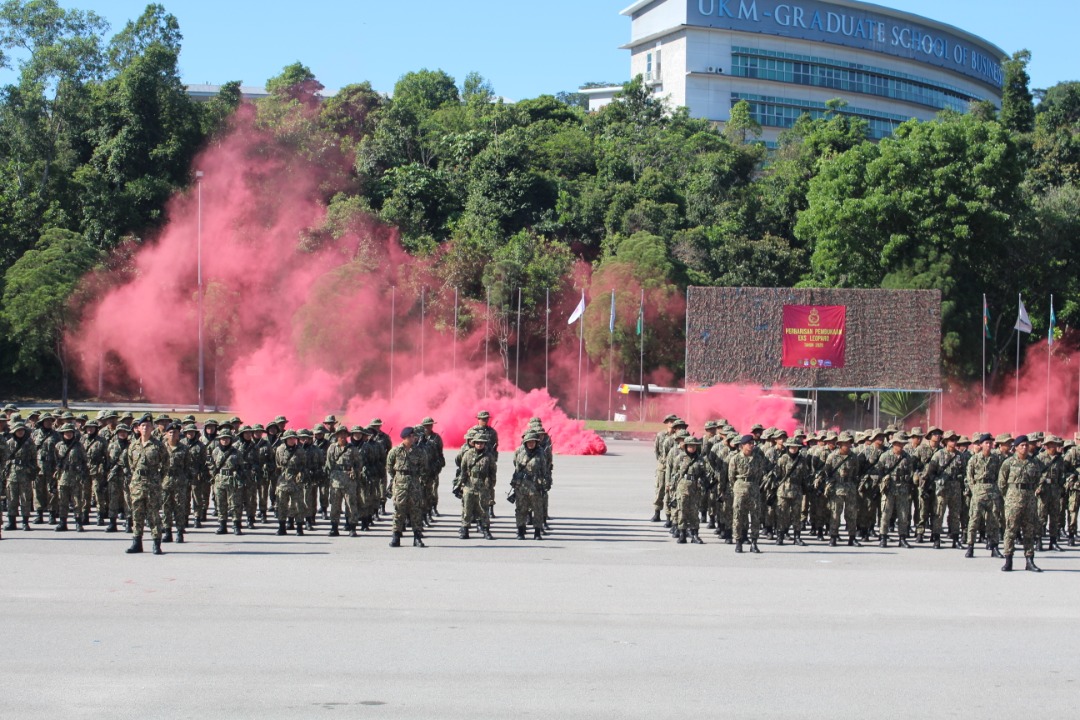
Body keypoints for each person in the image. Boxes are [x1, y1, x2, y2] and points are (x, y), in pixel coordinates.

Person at [998, 435, 1045, 572]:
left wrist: (1032, 491)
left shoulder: (1034, 463)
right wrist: (1009, 497)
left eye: (1026, 445)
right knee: (1010, 530)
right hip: (1013, 500)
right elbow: (1001, 483)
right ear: (1016, 447)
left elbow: (1038, 479)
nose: (1025, 448)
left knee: (1029, 530)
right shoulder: (1008, 463)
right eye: (1022, 445)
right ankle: (1008, 560)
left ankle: (1029, 560)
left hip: (1029, 499)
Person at [126, 418, 167, 555]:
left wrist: (157, 478)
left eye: (148, 426)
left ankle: (156, 543)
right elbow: (131, 465)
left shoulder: (158, 445)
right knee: (137, 513)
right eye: (143, 425)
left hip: (152, 484)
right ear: (138, 428)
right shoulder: (133, 445)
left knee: (153, 514)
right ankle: (137, 542)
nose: (145, 428)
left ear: (152, 428)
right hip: (137, 484)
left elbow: (166, 464)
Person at [923, 430, 966, 549]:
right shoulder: (938, 455)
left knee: (955, 514)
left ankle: (955, 539)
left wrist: (960, 478)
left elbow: (964, 471)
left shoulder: (960, 456)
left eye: (955, 439)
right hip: (942, 489)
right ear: (946, 441)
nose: (954, 442)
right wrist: (937, 481)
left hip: (955, 488)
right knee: (938, 513)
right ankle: (936, 538)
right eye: (952, 440)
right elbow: (930, 472)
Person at [965, 433, 1004, 559]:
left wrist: (997, 490)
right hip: (978, 491)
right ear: (981, 444)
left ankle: (994, 547)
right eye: (986, 443)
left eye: (990, 443)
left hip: (992, 491)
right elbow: (969, 477)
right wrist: (974, 490)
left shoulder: (996, 459)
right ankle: (970, 546)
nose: (989, 445)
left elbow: (1000, 476)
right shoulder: (974, 459)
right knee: (974, 520)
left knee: (994, 520)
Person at [386, 427, 427, 547]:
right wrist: (398, 478)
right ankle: (396, 536)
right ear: (405, 437)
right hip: (400, 485)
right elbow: (389, 467)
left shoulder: (419, 451)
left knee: (416, 510)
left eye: (414, 436)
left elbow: (424, 467)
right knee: (399, 510)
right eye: (411, 436)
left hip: (414, 484)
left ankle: (417, 537)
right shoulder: (395, 451)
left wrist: (418, 479)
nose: (413, 438)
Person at [820, 432, 862, 548]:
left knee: (851, 514)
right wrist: (831, 483)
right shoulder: (832, 456)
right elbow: (826, 472)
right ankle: (833, 536)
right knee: (835, 513)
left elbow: (856, 472)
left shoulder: (854, 457)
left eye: (849, 443)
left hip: (850, 489)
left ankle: (852, 537)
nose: (847, 445)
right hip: (836, 489)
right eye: (845, 443)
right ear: (840, 444)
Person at [874, 433, 915, 548]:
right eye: (899, 444)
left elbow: (910, 472)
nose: (901, 446)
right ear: (894, 444)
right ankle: (883, 537)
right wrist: (883, 482)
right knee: (885, 514)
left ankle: (902, 538)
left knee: (903, 515)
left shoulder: (907, 457)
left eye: (902, 444)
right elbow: (879, 471)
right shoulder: (885, 456)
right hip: (889, 489)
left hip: (902, 489)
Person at [728, 434, 767, 553]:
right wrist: (738, 486)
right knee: (738, 516)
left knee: (755, 516)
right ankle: (738, 542)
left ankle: (754, 542)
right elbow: (731, 476)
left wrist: (754, 484)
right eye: (749, 443)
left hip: (754, 487)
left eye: (752, 443)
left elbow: (760, 474)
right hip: (740, 487)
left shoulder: (758, 458)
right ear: (742, 445)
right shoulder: (735, 458)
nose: (751, 445)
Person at [511, 431, 549, 541]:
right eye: (528, 442)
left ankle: (537, 532)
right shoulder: (519, 452)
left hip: (536, 486)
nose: (531, 444)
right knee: (521, 509)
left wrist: (544, 484)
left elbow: (544, 470)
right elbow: (516, 465)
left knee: (537, 509)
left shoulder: (541, 454)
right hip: (522, 486)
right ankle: (520, 531)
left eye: (533, 442)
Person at [324, 426, 361, 537]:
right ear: (337, 436)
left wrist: (355, 473)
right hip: (336, 481)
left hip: (349, 481)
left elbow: (359, 463)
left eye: (344, 434)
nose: (342, 436)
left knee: (351, 504)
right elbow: (328, 464)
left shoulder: (352, 449)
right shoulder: (332, 448)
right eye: (340, 434)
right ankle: (334, 527)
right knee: (335, 505)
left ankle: (352, 527)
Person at [774, 437, 811, 546]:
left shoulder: (802, 460)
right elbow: (777, 474)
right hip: (783, 491)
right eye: (791, 447)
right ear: (788, 447)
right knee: (782, 514)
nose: (794, 449)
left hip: (797, 490)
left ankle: (797, 537)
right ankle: (780, 536)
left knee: (796, 514)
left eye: (796, 447)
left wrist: (805, 488)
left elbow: (805, 475)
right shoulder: (782, 459)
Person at [457, 435, 495, 540]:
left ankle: (486, 529)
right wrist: (461, 485)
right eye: (477, 443)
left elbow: (492, 472)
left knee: (483, 509)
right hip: (469, 484)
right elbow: (463, 470)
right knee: (467, 508)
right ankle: (465, 529)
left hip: (483, 485)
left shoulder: (489, 456)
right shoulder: (468, 454)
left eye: (482, 443)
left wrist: (490, 485)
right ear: (474, 443)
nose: (479, 445)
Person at [53, 423, 89, 533]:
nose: (68, 434)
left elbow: (85, 460)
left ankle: (78, 522)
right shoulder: (58, 446)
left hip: (75, 476)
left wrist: (83, 473)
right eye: (66, 432)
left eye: (70, 432)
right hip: (63, 476)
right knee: (62, 500)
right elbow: (55, 460)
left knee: (77, 500)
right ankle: (62, 522)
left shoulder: (79, 446)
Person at [671, 435, 707, 544]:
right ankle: (682, 533)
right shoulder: (680, 458)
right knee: (682, 510)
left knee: (694, 512)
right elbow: (674, 473)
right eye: (690, 446)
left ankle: (695, 534)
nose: (692, 448)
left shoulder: (700, 459)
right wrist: (672, 487)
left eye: (694, 446)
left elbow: (703, 474)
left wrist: (704, 483)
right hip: (682, 486)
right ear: (686, 446)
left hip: (695, 487)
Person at [209, 428, 245, 536]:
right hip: (219, 480)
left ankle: (236, 525)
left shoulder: (236, 452)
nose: (225, 440)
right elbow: (211, 465)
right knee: (220, 503)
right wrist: (213, 474)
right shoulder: (215, 451)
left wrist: (238, 475)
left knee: (235, 504)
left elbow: (241, 466)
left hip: (232, 480)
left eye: (227, 438)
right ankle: (222, 525)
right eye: (223, 438)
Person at [1037, 435, 1069, 552]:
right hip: (1043, 491)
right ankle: (1038, 541)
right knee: (1041, 516)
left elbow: (1062, 475)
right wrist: (1039, 485)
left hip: (1055, 491)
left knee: (1055, 516)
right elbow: (1035, 474)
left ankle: (1053, 541)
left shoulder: (1059, 460)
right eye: (1051, 444)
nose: (1053, 446)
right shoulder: (1040, 458)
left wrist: (1061, 487)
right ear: (1046, 445)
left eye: (1055, 444)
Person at [4, 422, 38, 531]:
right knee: (11, 499)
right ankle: (12, 522)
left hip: (25, 475)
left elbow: (34, 458)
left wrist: (32, 470)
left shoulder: (30, 443)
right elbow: (4, 458)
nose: (20, 432)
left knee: (25, 499)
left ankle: (25, 522)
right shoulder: (9, 443)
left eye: (22, 430)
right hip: (12, 475)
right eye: (18, 430)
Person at [161, 423, 191, 544]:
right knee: (166, 507)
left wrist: (185, 479)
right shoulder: (161, 448)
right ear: (166, 434)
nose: (173, 434)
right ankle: (167, 532)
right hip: (165, 481)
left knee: (179, 507)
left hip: (180, 482)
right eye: (170, 432)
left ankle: (179, 532)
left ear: (179, 434)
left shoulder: (184, 448)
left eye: (175, 432)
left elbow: (187, 466)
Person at [274, 430, 307, 536]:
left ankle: (299, 527)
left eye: (293, 438)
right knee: (282, 504)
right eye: (289, 438)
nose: (292, 440)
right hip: (283, 481)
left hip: (296, 481)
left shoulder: (300, 451)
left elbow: (304, 464)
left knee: (298, 505)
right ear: (285, 439)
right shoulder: (280, 449)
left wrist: (301, 473)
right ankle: (282, 527)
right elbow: (278, 463)